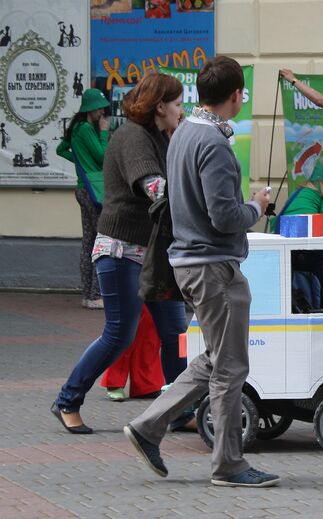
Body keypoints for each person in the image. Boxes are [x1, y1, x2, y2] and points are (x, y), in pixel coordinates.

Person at [123, 56, 280, 488]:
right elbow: (225, 215)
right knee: (229, 368)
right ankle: (229, 465)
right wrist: (258, 207)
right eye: (242, 93)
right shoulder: (211, 143)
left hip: (192, 261)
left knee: (214, 359)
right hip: (212, 264)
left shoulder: (185, 133)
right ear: (236, 96)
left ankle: (147, 427)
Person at [51, 73, 188, 434]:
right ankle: (67, 399)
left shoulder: (160, 135)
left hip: (153, 253)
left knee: (176, 332)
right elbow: (154, 186)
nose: (181, 109)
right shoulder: (132, 136)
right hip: (120, 251)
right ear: (160, 106)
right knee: (119, 334)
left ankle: (180, 410)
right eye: (177, 103)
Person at [56, 88, 110, 309]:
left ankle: (87, 294)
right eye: (100, 108)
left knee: (88, 241)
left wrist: (80, 164)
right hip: (94, 191)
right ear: (92, 109)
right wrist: (105, 133)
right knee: (101, 242)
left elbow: (62, 149)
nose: (102, 113)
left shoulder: (76, 127)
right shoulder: (88, 128)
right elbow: (102, 156)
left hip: (82, 188)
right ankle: (96, 295)